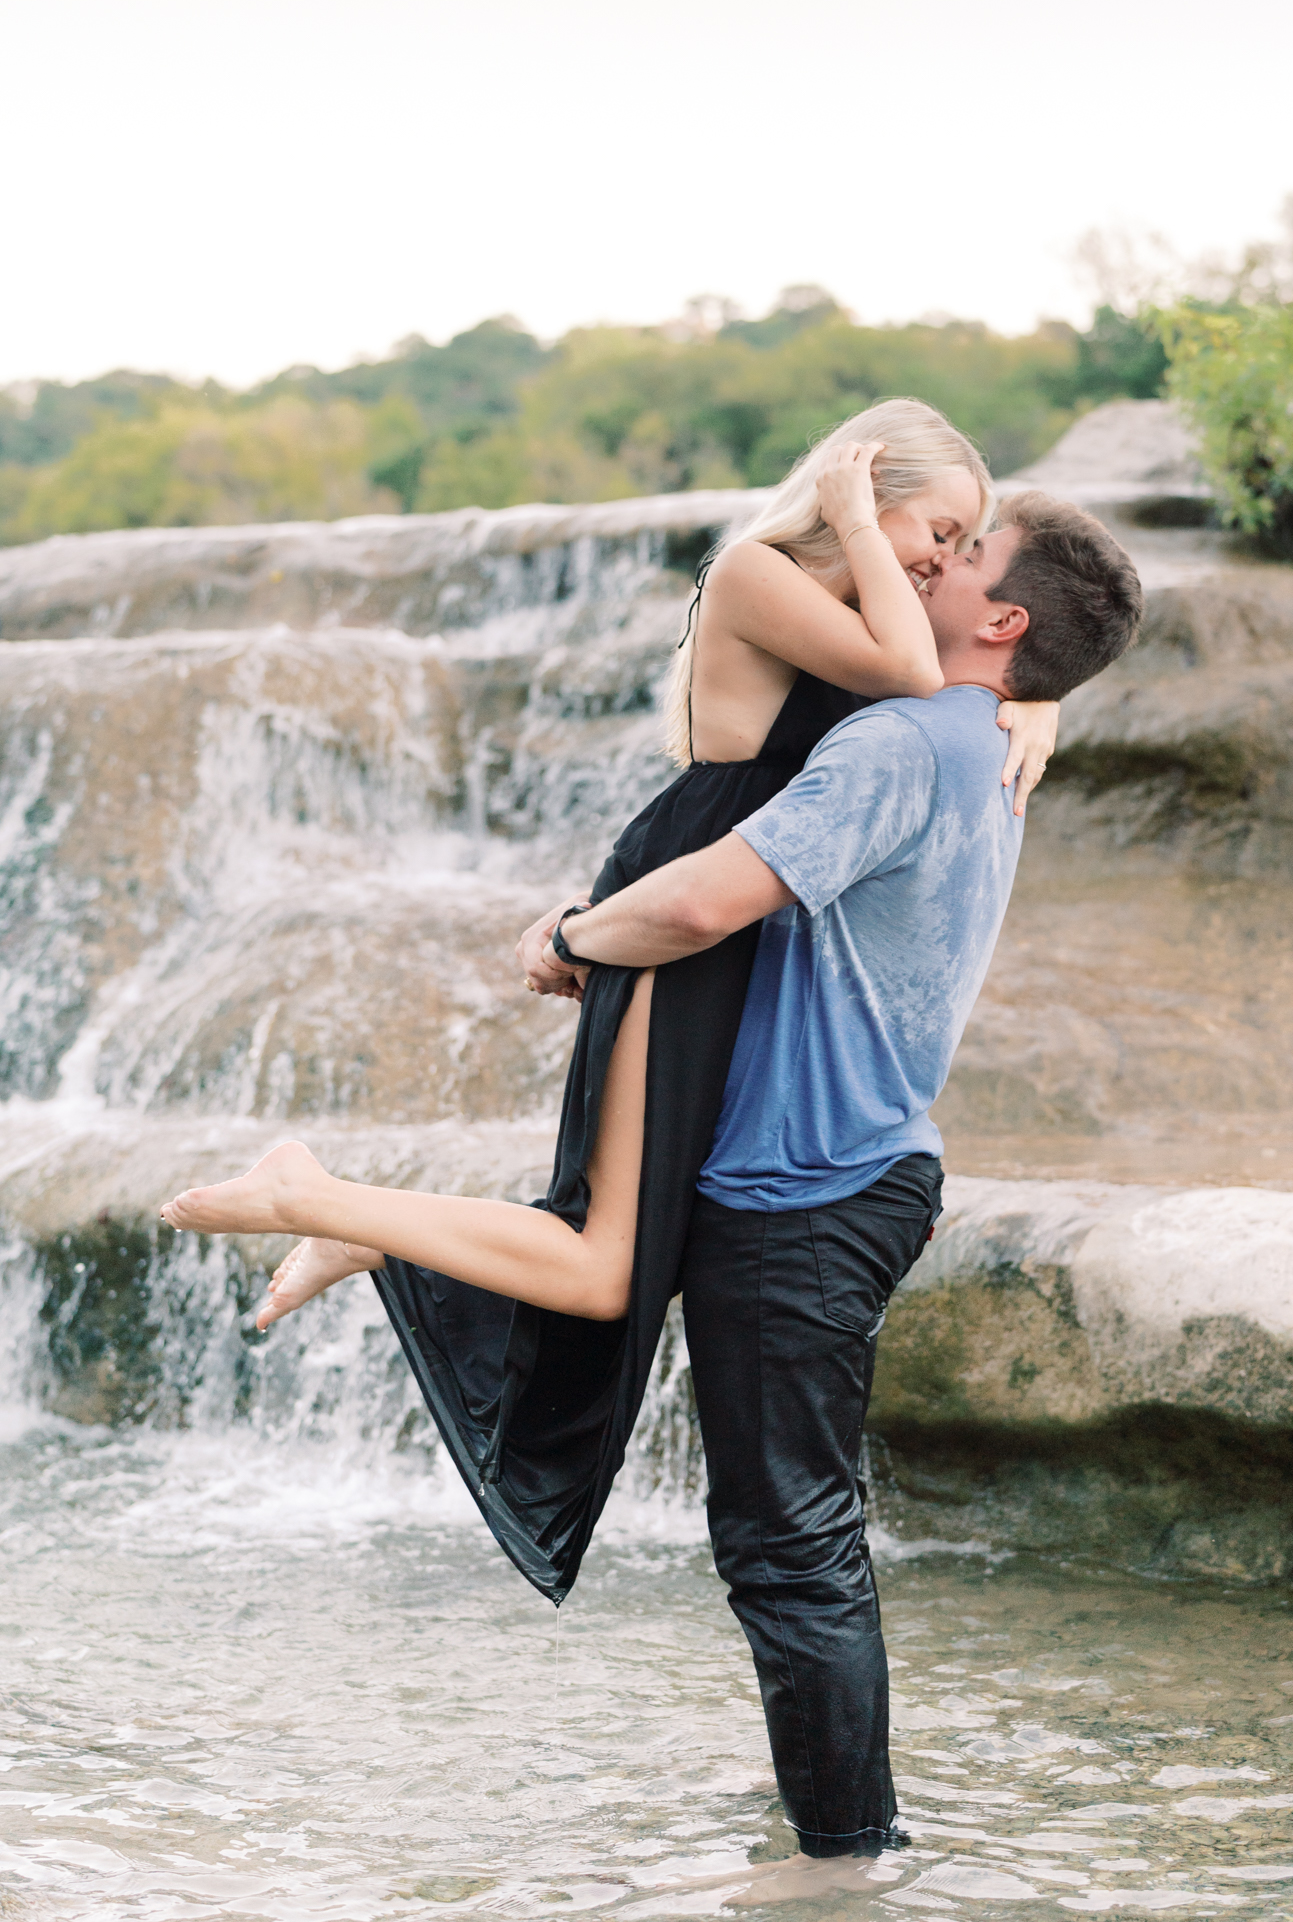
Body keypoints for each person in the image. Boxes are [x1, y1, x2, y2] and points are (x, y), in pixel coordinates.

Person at [162, 490, 1142, 1873]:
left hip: (807, 1189)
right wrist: (1034, 697)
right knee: (629, 1331)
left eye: (962, 554)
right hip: (811, 1170)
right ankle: (830, 1830)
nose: (926, 557)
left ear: (1000, 620)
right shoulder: (973, 733)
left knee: (788, 1542)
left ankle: (846, 1865)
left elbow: (696, 905)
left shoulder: (904, 739)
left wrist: (569, 934)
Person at [161, 399, 1060, 1606]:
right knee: (606, 1264)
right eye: (936, 527)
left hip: (742, 923)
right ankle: (311, 1194)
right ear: (864, 485)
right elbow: (911, 675)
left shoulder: (871, 610)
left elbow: (949, 673)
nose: (944, 561)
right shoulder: (754, 570)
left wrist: (1039, 698)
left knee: (637, 1253)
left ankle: (364, 1231)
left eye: (964, 548)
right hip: (688, 905)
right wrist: (850, 518)